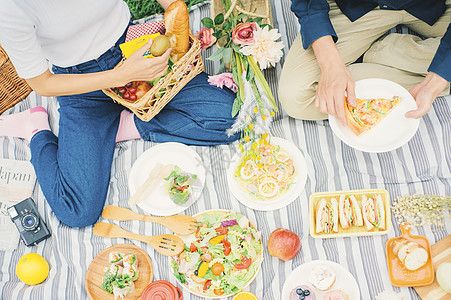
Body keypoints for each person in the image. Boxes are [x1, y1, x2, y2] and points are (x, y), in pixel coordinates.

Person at [0, 0, 238, 227]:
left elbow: (174, 10)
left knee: (235, 118)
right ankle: (34, 128)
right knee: (77, 210)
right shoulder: (10, 8)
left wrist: (178, 20)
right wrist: (121, 76)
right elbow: (43, 84)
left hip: (133, 50)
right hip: (81, 83)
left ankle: (127, 125)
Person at [279, 0, 450, 126]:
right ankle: (350, 78)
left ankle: (389, 53)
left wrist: (435, 83)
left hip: (436, 7)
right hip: (357, 6)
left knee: (444, 75)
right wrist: (330, 64)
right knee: (296, 97)